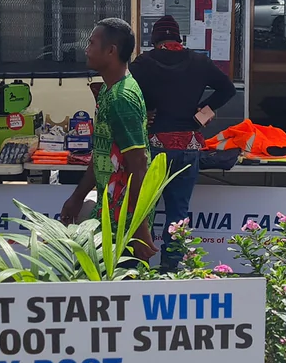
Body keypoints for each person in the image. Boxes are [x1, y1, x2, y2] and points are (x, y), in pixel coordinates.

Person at [129, 14, 237, 271]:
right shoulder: (199, 62)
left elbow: (127, 93)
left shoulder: (143, 63)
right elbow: (228, 89)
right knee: (178, 212)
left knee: (144, 210)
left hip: (154, 146)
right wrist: (203, 111)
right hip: (188, 147)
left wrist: (145, 113)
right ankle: (170, 266)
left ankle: (137, 266)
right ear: (179, 38)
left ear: (155, 39)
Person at [60, 18, 155, 260]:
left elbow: (139, 164)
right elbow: (103, 152)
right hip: (108, 209)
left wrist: (140, 226)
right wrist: (77, 197)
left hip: (124, 215)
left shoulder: (122, 99)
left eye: (92, 43)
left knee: (119, 277)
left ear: (111, 51)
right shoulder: (107, 91)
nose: (86, 49)